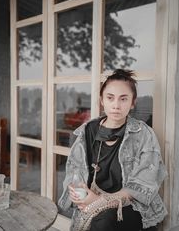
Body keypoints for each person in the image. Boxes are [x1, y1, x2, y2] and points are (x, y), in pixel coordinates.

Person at [58, 69, 168, 231]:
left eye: (123, 99)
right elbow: (74, 172)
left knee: (104, 221)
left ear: (132, 103)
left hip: (131, 204)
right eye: (110, 98)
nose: (116, 105)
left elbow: (145, 182)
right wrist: (79, 193)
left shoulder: (143, 134)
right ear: (102, 100)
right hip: (92, 198)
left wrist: (101, 201)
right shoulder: (86, 131)